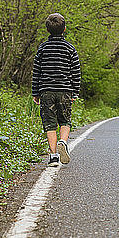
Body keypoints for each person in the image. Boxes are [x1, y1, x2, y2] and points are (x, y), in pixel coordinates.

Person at [32, 13, 81, 167]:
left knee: (49, 123)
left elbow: (36, 71)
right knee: (65, 120)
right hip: (65, 90)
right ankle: (63, 142)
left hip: (46, 91)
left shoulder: (42, 48)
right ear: (64, 29)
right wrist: (75, 91)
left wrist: (35, 92)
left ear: (47, 30)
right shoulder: (70, 49)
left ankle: (53, 156)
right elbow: (76, 71)